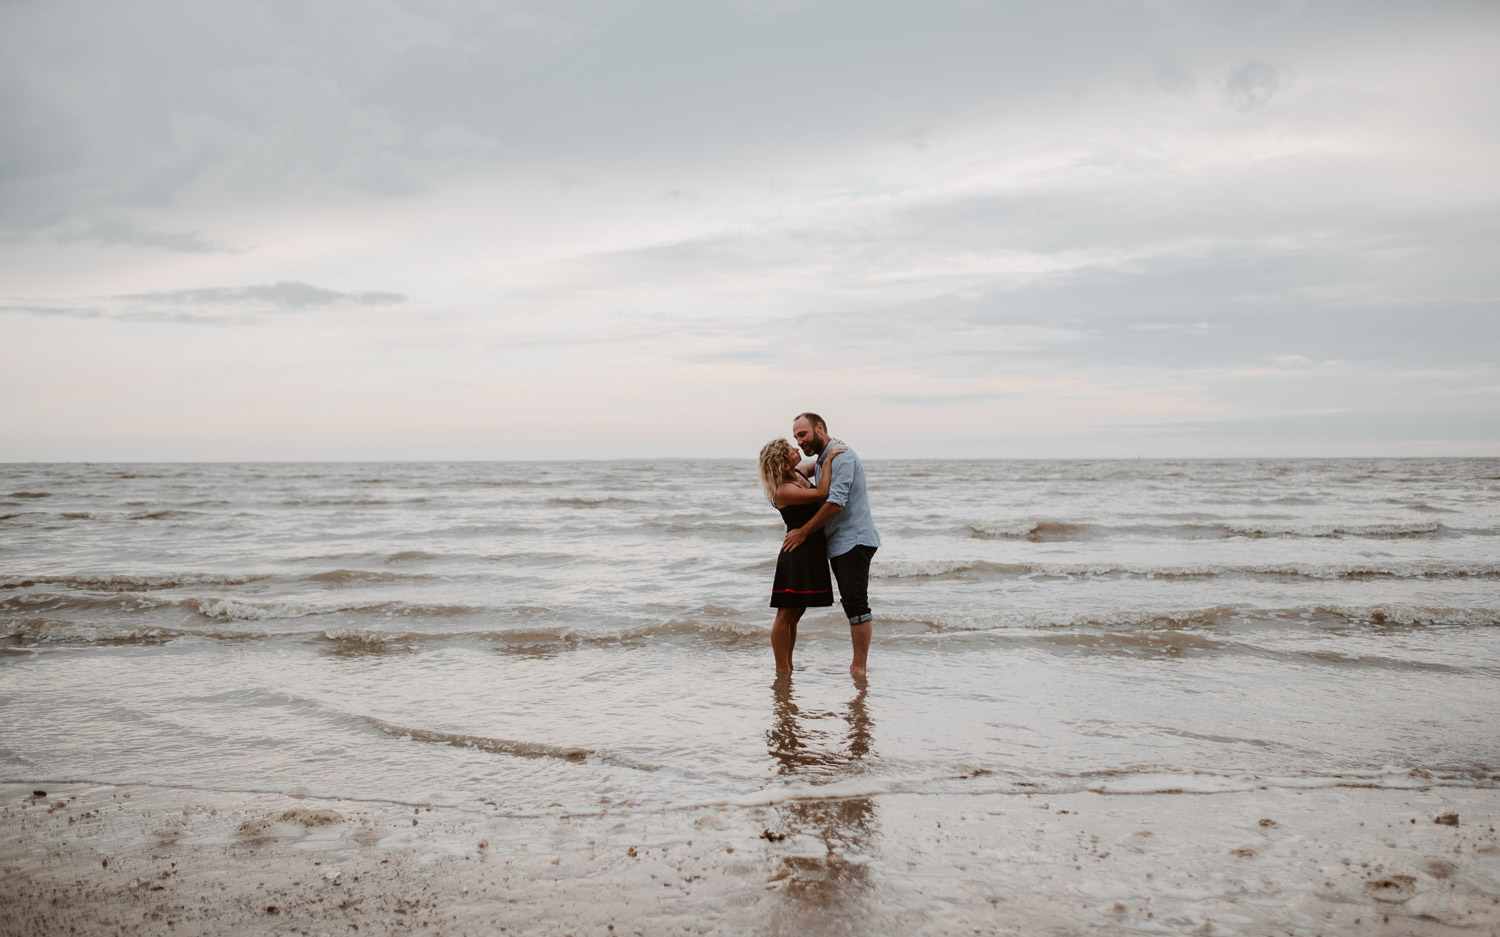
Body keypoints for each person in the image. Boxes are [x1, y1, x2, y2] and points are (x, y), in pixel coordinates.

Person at [782, 412, 880, 676]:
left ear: (820, 428)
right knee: (851, 602)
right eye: (796, 437)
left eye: (802, 434)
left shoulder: (842, 456)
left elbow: (835, 503)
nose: (800, 442)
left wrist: (802, 532)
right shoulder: (825, 458)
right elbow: (799, 474)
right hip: (839, 542)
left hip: (854, 540)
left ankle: (859, 668)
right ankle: (857, 668)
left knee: (856, 603)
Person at [757, 437, 847, 674]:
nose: (797, 449)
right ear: (784, 465)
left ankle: (788, 665)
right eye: (791, 450)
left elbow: (814, 463)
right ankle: (781, 668)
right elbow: (823, 492)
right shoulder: (783, 491)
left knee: (796, 612)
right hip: (796, 551)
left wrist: (828, 448)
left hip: (810, 547)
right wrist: (828, 462)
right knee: (786, 613)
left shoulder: (796, 473)